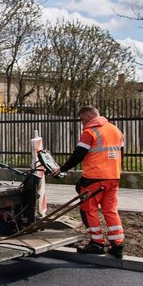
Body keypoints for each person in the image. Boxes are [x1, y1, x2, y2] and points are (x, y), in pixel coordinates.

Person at [52, 106, 126, 258]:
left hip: (94, 178)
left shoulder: (90, 132)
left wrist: (63, 169)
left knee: (88, 209)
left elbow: (79, 154)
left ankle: (97, 243)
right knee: (110, 210)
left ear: (89, 115)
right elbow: (121, 153)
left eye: (82, 118)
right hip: (113, 177)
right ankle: (118, 244)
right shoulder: (115, 130)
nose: (82, 122)